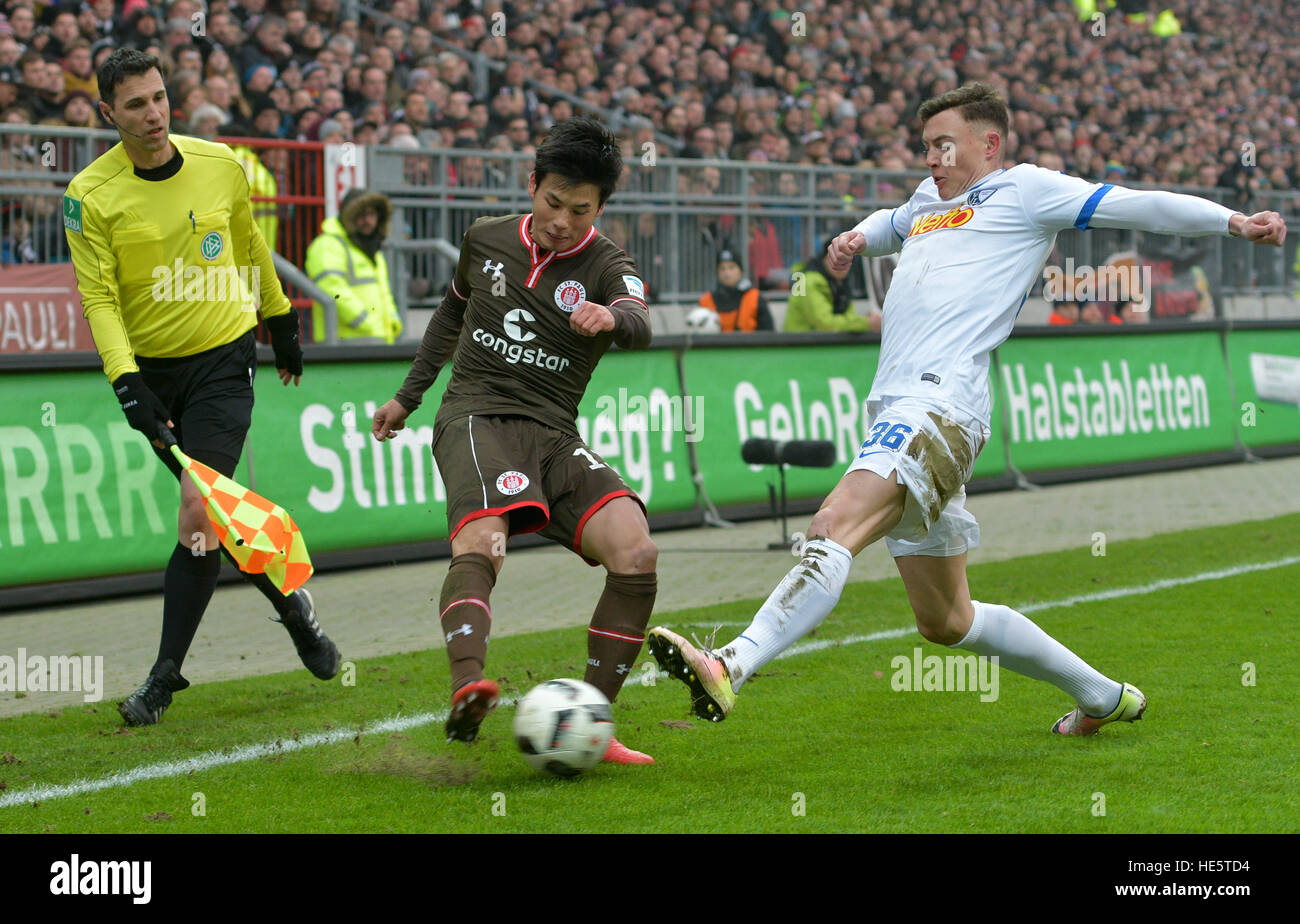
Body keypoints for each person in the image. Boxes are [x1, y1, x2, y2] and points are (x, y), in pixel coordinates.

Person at [647, 82, 1286, 736]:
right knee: (947, 622)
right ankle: (1104, 698)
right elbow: (890, 223)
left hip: (941, 402)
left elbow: (1136, 205)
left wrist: (1231, 222)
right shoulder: (929, 201)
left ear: (990, 143)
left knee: (833, 524)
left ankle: (730, 661)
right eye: (925, 147)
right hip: (902, 406)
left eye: (944, 144)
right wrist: (853, 241)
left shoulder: (1028, 190)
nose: (932, 158)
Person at [63, 49, 341, 726]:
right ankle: (294, 610)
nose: (153, 114)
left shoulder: (220, 163)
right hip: (153, 375)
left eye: (158, 97)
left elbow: (250, 247)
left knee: (199, 510)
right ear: (108, 113)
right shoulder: (87, 197)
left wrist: (281, 322)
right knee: (219, 521)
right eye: (135, 104)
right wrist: (126, 382)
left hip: (224, 361)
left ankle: (162, 679)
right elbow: (99, 301)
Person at [370, 117, 659, 765]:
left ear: (601, 208)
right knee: (484, 540)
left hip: (553, 431)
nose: (562, 219)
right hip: (475, 416)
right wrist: (407, 398)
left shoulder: (610, 264)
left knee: (636, 550)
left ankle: (594, 718)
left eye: (579, 211)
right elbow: (451, 313)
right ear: (533, 185)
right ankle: (467, 686)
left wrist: (613, 316)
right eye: (553, 201)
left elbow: (642, 321)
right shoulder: (486, 239)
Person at [304, 188, 402, 344]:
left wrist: (392, 322)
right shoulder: (328, 244)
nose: (367, 220)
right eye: (361, 215)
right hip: (343, 343)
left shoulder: (372, 250)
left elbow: (385, 293)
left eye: (371, 214)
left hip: (375, 339)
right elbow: (331, 288)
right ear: (348, 217)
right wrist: (366, 323)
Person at [783, 243, 876, 332]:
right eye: (836, 259)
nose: (841, 265)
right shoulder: (808, 281)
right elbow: (824, 323)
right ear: (824, 259)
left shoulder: (842, 283)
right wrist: (867, 323)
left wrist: (861, 323)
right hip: (799, 345)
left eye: (846, 260)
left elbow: (849, 317)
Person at [698, 248, 774, 332]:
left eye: (731, 268)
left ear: (740, 271)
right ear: (717, 273)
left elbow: (768, 334)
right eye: (722, 269)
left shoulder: (755, 298)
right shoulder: (706, 301)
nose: (727, 273)